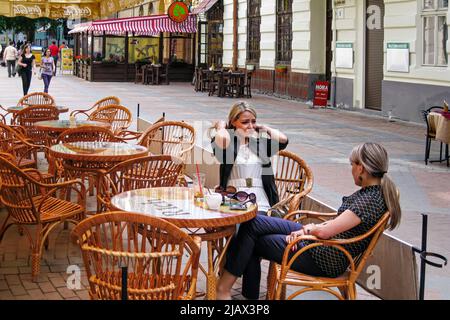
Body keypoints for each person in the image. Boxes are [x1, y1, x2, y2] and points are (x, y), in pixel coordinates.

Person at [216, 142, 402, 300]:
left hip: (322, 256)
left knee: (252, 236)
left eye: (352, 164)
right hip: (322, 244)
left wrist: (307, 231)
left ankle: (224, 289)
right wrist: (308, 230)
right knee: (254, 221)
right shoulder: (374, 194)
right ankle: (239, 292)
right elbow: (336, 225)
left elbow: (325, 232)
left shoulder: (367, 201)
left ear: (361, 168)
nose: (351, 169)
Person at [210, 101, 289, 214]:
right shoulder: (228, 145)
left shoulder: (260, 144)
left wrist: (263, 127)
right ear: (233, 122)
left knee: (256, 219)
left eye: (253, 121)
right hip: (234, 199)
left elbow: (283, 140)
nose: (250, 126)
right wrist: (221, 126)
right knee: (245, 221)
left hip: (260, 200)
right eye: (245, 122)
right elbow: (222, 139)